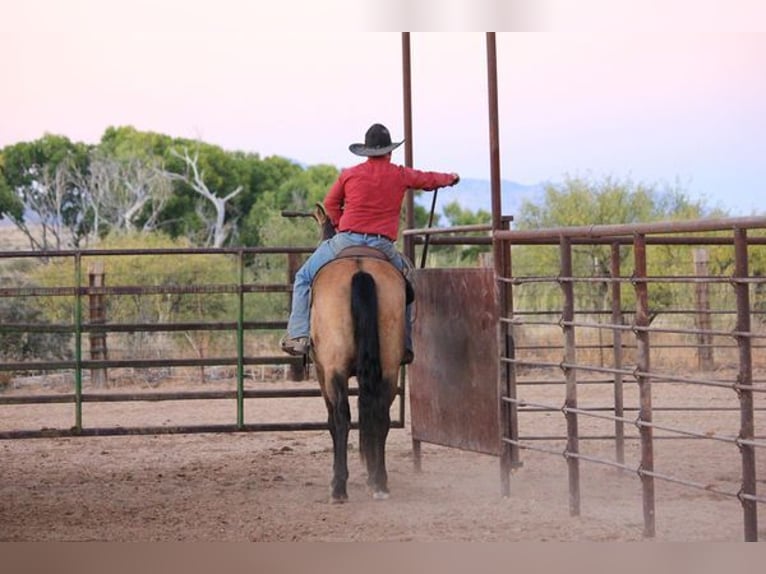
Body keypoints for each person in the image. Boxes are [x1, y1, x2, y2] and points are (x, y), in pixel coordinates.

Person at [280, 123, 460, 364]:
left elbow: (330, 203)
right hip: (382, 246)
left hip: (346, 240)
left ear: (366, 151)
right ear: (390, 151)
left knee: (303, 277)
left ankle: (298, 335)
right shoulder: (399, 174)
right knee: (406, 283)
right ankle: (404, 342)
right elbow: (427, 179)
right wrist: (450, 178)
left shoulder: (349, 174)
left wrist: (339, 221)